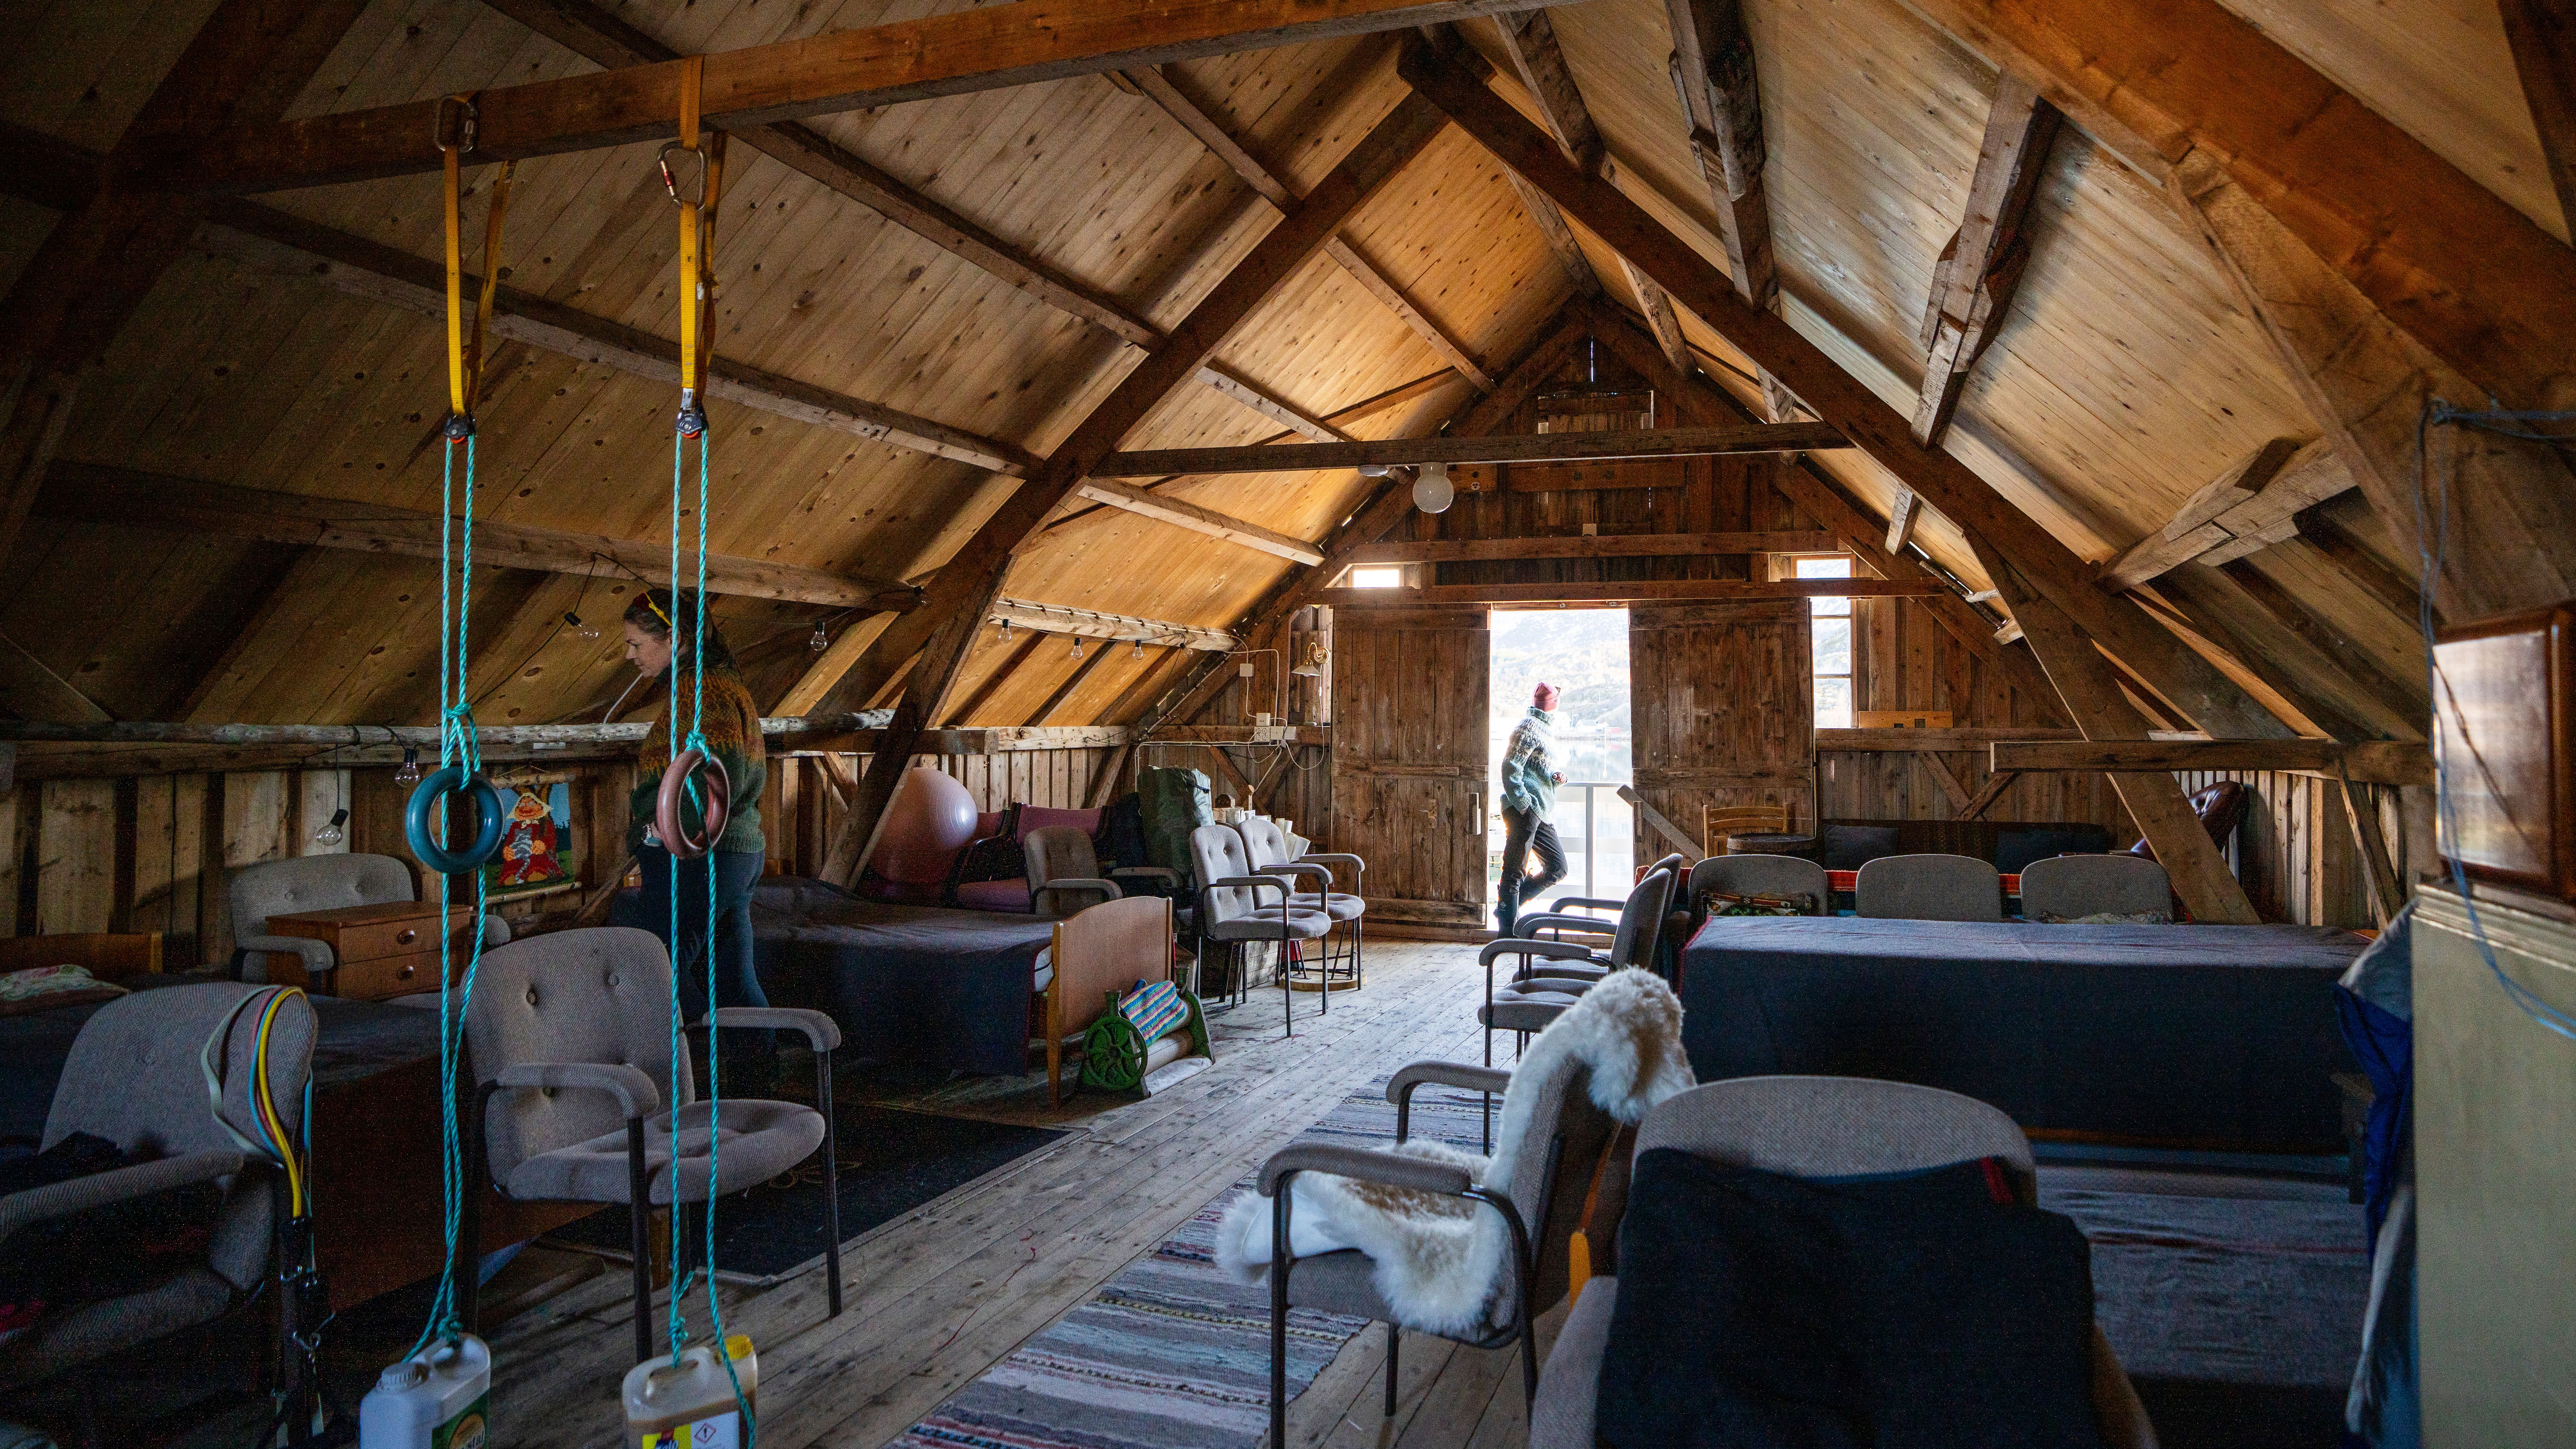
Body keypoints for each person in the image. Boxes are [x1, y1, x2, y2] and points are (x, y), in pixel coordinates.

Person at [624, 588, 774, 1095]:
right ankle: (759, 1093)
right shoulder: (718, 684)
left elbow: (715, 776)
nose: (630, 655)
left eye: (637, 643)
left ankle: (689, 1089)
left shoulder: (700, 693)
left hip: (699, 854)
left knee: (654, 966)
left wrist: (658, 828)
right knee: (732, 978)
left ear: (676, 640)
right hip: (734, 852)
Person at [1497, 681, 1568, 936]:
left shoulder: (1546, 731)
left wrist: (1555, 778)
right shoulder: (1528, 727)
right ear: (1555, 704)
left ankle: (1506, 907)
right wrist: (1524, 803)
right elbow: (1510, 767)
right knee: (1514, 869)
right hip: (1524, 810)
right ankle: (1506, 932)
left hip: (1540, 811)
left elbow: (1534, 772)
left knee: (1558, 868)